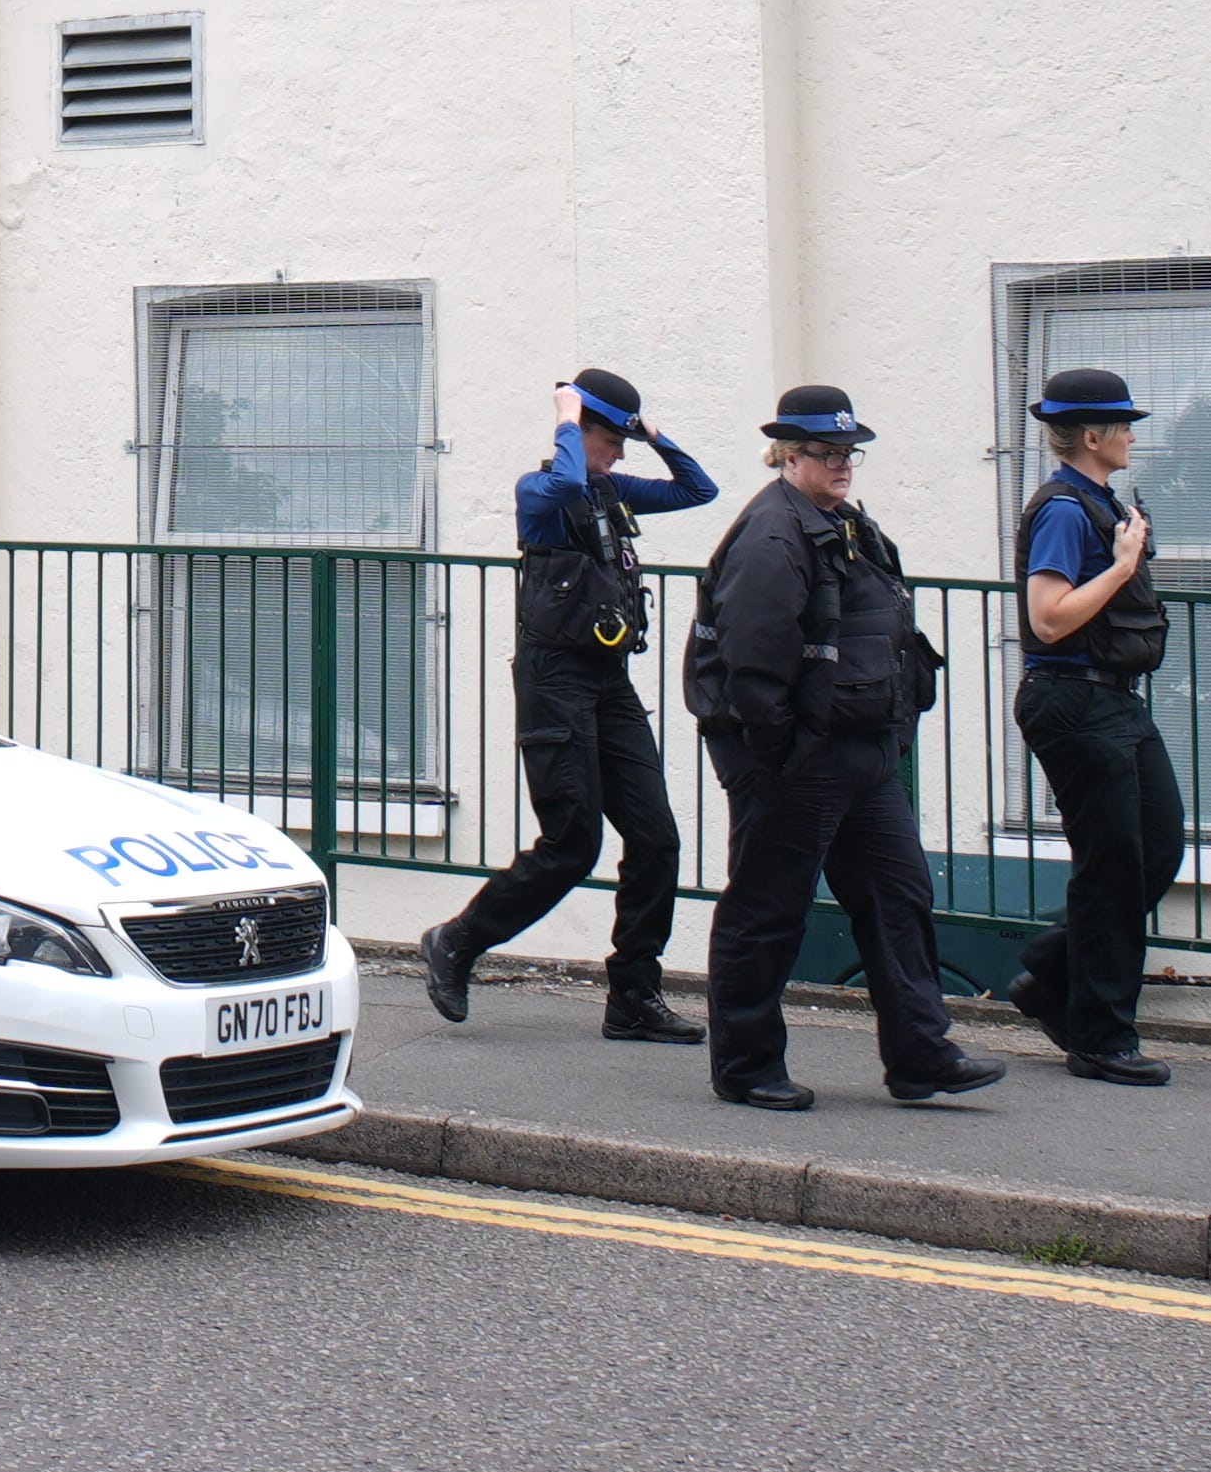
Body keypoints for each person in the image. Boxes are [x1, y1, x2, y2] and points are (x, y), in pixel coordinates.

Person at [682, 385, 1002, 1111]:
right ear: (789, 456)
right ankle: (746, 1065)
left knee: (899, 897)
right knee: (768, 908)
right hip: (802, 761)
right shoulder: (772, 537)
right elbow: (753, 666)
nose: (842, 465)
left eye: (848, 452)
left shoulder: (840, 523)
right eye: (826, 453)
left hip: (864, 754)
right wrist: (785, 756)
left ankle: (921, 1054)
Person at [418, 369, 714, 1041]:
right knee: (572, 842)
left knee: (656, 836)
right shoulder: (543, 491)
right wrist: (566, 415)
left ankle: (634, 995)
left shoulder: (609, 488)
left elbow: (700, 489)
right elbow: (569, 480)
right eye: (610, 438)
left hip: (608, 679)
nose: (620, 454)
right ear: (579, 431)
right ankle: (457, 942)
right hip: (554, 679)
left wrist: (651, 432)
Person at [1000, 368, 1188, 1087]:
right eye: (1123, 425)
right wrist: (1123, 565)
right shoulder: (1063, 512)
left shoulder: (1100, 502)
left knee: (1157, 848)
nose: (1133, 434)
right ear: (1091, 435)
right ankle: (1101, 1037)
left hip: (1113, 699)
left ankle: (1051, 972)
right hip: (1072, 699)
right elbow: (1048, 617)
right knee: (1111, 868)